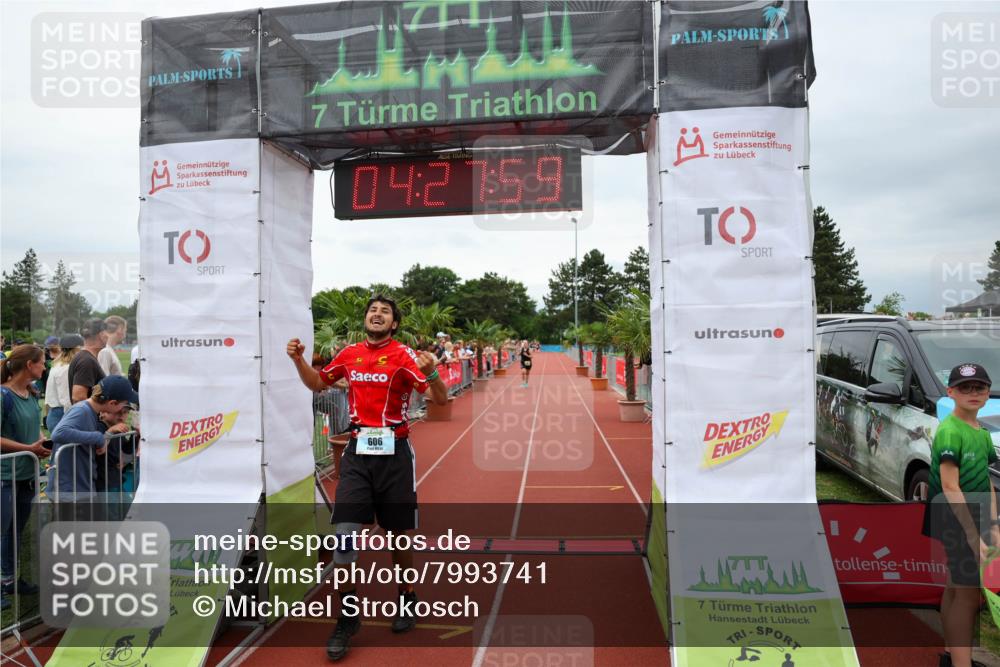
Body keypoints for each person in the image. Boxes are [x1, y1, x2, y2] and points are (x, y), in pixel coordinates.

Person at [286, 295, 447, 662]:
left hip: (395, 455)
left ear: (393, 324)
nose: (376, 314)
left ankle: (406, 597)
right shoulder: (349, 353)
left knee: (398, 539)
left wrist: (433, 370)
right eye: (372, 310)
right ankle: (347, 615)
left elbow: (440, 400)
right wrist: (298, 360)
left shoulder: (405, 356)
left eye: (384, 312)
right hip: (358, 452)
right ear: (366, 320)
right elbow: (316, 383)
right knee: (343, 536)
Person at [922, 363, 996, 667]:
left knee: (956, 587)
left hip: (972, 515)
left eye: (979, 387)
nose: (973, 393)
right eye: (965, 387)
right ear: (951, 392)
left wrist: (993, 524)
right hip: (955, 518)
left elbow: (987, 479)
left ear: (988, 393)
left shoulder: (982, 433)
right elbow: (951, 487)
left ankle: (952, 656)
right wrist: (973, 534)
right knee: (968, 597)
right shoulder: (951, 431)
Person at [0, 344, 48, 609]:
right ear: (29, 365)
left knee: (15, 532)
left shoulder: (31, 394)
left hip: (26, 475)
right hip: (5, 476)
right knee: (2, 531)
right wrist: (29, 449)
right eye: (41, 362)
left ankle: (9, 580)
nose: (44, 367)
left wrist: (41, 443)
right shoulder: (3, 396)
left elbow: (34, 430)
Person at [50, 375, 137, 499]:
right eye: (123, 405)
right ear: (113, 403)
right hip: (69, 491)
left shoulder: (89, 411)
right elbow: (59, 433)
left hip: (79, 486)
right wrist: (99, 438)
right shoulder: (82, 410)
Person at [44, 334, 83, 434]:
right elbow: (66, 400)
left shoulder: (58, 365)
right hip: (63, 415)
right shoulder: (66, 368)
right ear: (76, 349)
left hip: (56, 414)